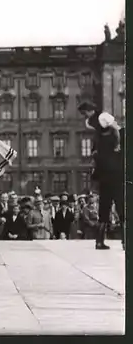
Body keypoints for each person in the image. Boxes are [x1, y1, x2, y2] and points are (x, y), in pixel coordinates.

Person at [78, 101, 124, 250]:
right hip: (115, 175)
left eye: (85, 112)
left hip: (105, 176)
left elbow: (113, 130)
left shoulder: (102, 129)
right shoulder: (113, 140)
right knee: (120, 207)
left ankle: (99, 241)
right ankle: (124, 240)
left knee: (104, 208)